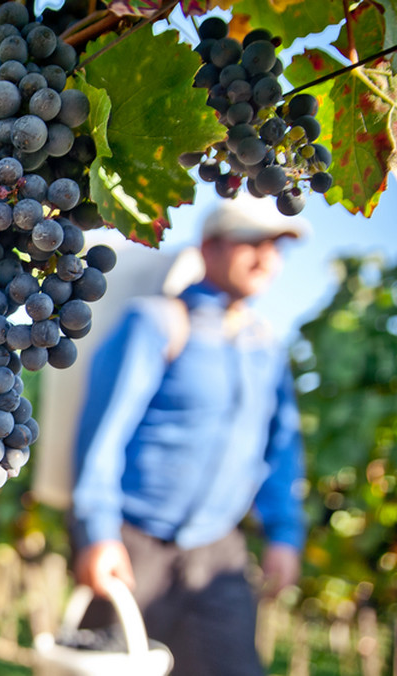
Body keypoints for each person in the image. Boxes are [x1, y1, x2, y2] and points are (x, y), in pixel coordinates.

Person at [70, 195, 309, 675]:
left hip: (218, 552)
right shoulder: (156, 323)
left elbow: (281, 450)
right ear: (210, 247)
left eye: (277, 247)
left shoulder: (266, 348)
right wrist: (97, 531)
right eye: (252, 243)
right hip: (133, 545)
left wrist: (284, 534)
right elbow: (103, 434)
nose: (267, 258)